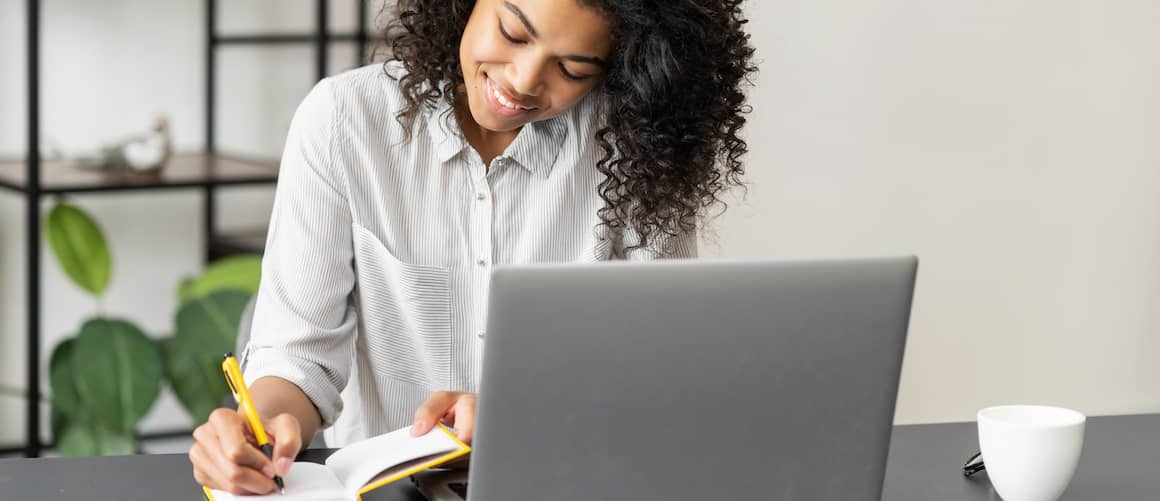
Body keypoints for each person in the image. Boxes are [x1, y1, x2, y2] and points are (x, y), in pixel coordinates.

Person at [189, 0, 756, 494]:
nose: (524, 81)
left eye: (574, 67)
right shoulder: (345, 123)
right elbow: (298, 355)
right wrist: (257, 427)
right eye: (513, 33)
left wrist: (525, 416)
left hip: (565, 482)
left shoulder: (641, 155)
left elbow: (658, 379)